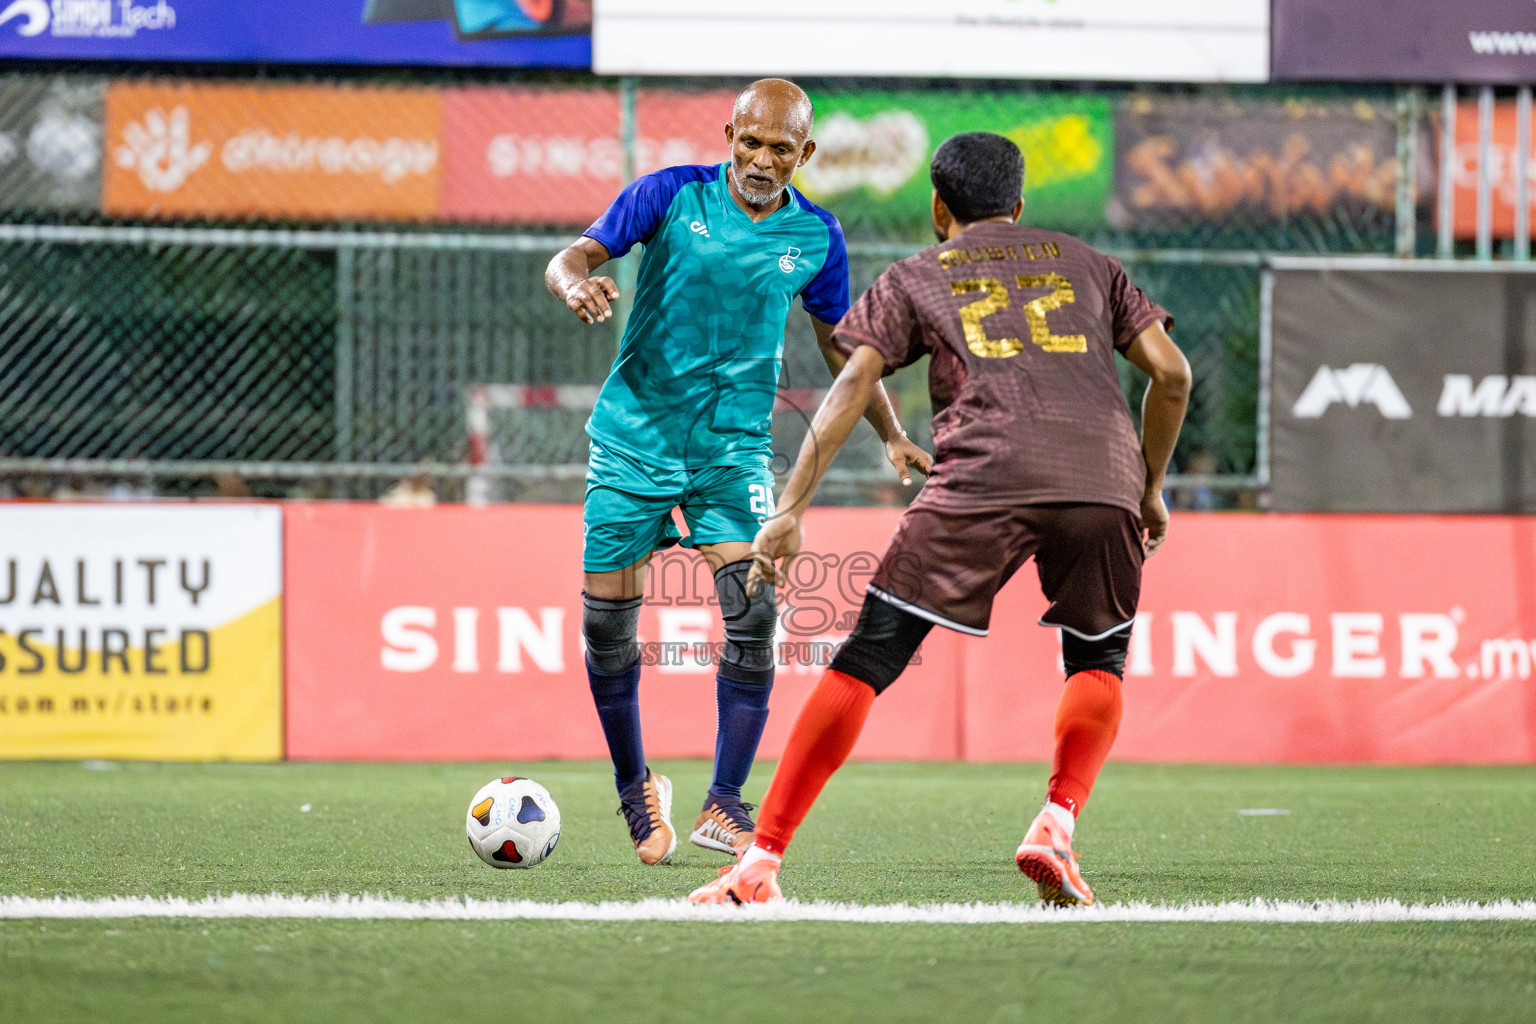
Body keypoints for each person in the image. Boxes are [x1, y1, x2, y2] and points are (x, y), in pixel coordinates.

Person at [690, 132, 1191, 906]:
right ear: (1020, 206)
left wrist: (789, 509)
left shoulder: (917, 274)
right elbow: (1172, 374)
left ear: (937, 206)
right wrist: (1150, 487)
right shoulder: (1093, 265)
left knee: (865, 662)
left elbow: (853, 382)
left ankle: (760, 863)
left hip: (984, 475)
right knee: (1099, 659)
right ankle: (1056, 822)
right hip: (1104, 479)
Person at [544, 79, 932, 866]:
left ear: (805, 154)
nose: (760, 159)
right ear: (729, 133)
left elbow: (844, 351)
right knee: (606, 629)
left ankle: (724, 802)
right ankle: (634, 789)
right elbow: (575, 254)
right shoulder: (669, 195)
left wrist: (891, 433)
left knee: (754, 616)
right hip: (633, 439)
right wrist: (572, 281)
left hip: (733, 452)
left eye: (779, 148)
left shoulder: (817, 237)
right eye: (749, 142)